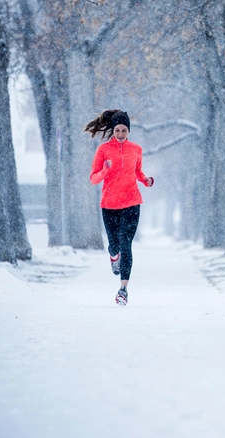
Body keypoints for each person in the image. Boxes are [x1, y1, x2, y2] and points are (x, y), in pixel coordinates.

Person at [85, 109, 154, 306]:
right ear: (113, 130)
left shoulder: (136, 149)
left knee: (126, 244)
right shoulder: (104, 150)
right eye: (117, 130)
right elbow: (93, 178)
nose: (121, 134)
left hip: (132, 203)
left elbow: (137, 171)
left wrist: (146, 180)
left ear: (129, 130)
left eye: (124, 130)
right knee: (114, 245)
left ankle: (123, 289)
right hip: (109, 204)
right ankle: (113, 255)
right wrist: (105, 170)